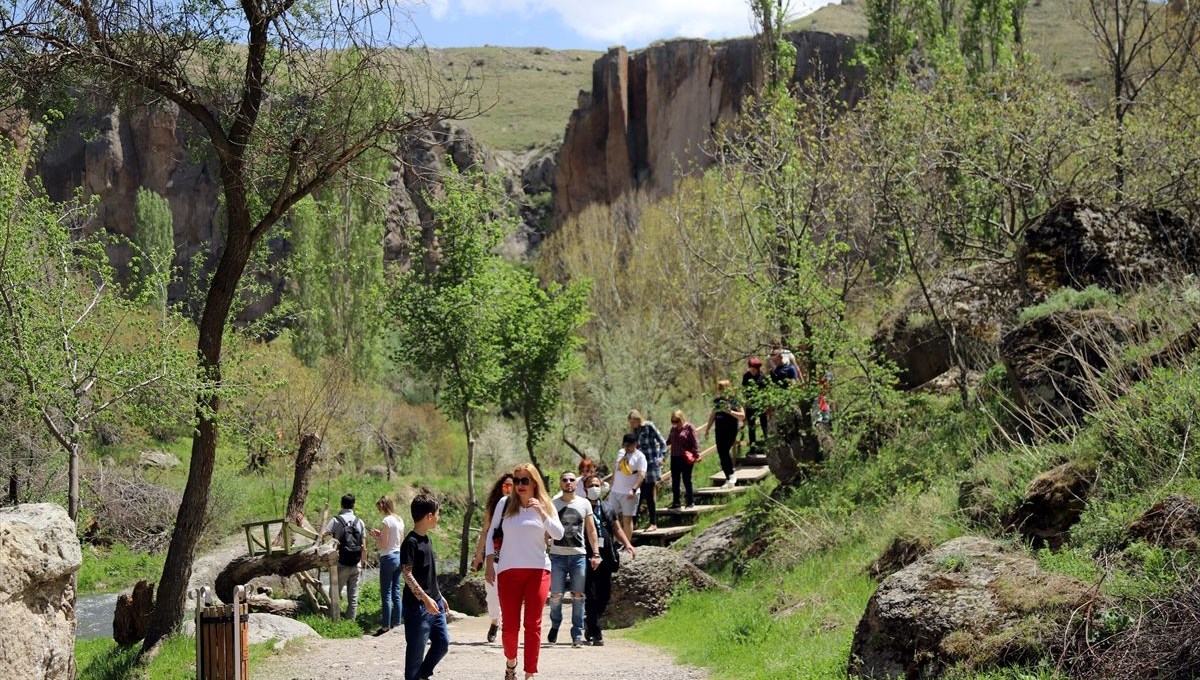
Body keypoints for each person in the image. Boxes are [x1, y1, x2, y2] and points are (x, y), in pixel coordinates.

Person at [485, 462, 565, 680]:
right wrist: (488, 563)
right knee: (510, 627)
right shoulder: (504, 503)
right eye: (516, 480)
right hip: (508, 571)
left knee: (533, 624)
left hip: (539, 570)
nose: (519, 485)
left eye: (524, 480)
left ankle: (530, 673)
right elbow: (491, 533)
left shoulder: (546, 505)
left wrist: (541, 511)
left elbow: (558, 534)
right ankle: (511, 662)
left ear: (534, 482)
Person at [581, 473, 636, 646]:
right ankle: (596, 632)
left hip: (606, 557)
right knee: (590, 595)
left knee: (604, 595)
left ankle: (590, 622)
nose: (594, 488)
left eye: (597, 485)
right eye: (591, 486)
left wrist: (627, 543)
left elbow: (617, 528)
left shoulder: (608, 508)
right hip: (587, 556)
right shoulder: (581, 508)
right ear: (584, 488)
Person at [548, 470, 599, 648]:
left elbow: (591, 530)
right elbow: (547, 530)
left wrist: (596, 553)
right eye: (565, 480)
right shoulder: (553, 504)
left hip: (578, 555)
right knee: (555, 596)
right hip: (557, 556)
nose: (568, 483)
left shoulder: (584, 504)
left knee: (578, 596)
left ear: (576, 484)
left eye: (571, 480)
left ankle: (576, 634)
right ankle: (555, 623)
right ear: (560, 483)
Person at [401, 494, 450, 680]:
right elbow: (407, 574)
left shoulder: (428, 540)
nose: (438, 518)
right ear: (429, 516)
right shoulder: (410, 542)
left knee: (442, 643)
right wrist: (425, 599)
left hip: (434, 601)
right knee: (415, 654)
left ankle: (422, 675)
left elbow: (429, 574)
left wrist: (439, 596)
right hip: (417, 608)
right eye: (437, 514)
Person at [471, 472, 514, 643]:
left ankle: (508, 626)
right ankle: (495, 621)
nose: (509, 489)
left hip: (513, 557)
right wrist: (478, 556)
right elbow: (485, 532)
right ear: (500, 487)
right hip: (494, 556)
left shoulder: (522, 506)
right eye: (506, 485)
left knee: (511, 594)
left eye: (512, 485)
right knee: (492, 594)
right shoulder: (495, 506)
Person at [322, 493, 365, 621]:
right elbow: (364, 546)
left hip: (341, 563)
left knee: (334, 593)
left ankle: (335, 620)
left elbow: (323, 534)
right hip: (356, 563)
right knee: (353, 596)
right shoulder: (360, 522)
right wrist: (362, 564)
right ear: (353, 505)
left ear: (341, 505)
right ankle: (350, 622)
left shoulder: (336, 520)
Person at [369, 495, 405, 635]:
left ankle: (385, 626)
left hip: (388, 558)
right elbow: (400, 540)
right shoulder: (399, 519)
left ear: (382, 506)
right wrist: (381, 535)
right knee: (396, 592)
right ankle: (397, 623)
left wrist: (376, 536)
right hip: (399, 556)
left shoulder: (386, 521)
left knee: (386, 593)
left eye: (379, 508)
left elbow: (383, 544)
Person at [628, 409, 667, 532]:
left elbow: (662, 442)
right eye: (631, 422)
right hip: (639, 467)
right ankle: (633, 524)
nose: (633, 424)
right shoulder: (635, 432)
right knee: (639, 494)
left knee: (649, 493)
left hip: (651, 464)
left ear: (638, 419)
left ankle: (653, 523)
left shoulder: (648, 426)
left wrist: (661, 456)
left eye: (634, 421)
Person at [705, 380, 745, 489]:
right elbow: (713, 415)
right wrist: (708, 429)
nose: (721, 391)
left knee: (725, 451)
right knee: (721, 453)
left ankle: (731, 476)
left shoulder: (734, 400)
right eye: (719, 389)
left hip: (730, 429)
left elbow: (742, 415)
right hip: (719, 430)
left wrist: (730, 412)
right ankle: (728, 478)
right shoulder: (717, 400)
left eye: (723, 389)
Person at [611, 431, 646, 543]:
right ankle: (613, 542)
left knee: (627, 519)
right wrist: (612, 484)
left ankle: (627, 544)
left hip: (629, 493)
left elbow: (641, 475)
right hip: (615, 491)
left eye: (628, 446)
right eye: (624, 445)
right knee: (610, 517)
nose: (626, 448)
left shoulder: (640, 457)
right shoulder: (621, 452)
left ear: (635, 444)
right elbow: (615, 469)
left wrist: (634, 489)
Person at [665, 410, 700, 509]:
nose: (675, 423)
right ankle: (676, 503)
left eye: (677, 420)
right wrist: (660, 444)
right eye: (673, 421)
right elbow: (668, 441)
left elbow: (695, 442)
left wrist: (697, 454)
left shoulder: (689, 427)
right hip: (674, 457)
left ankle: (690, 502)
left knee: (686, 480)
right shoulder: (673, 429)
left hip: (685, 457)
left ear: (682, 418)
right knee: (675, 481)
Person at [742, 357, 769, 454]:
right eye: (751, 369)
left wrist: (765, 405)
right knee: (751, 427)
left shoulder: (763, 377)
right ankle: (753, 448)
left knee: (764, 425)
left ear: (758, 369)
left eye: (754, 370)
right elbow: (744, 391)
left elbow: (766, 392)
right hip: (750, 404)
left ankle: (768, 446)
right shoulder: (746, 376)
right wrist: (746, 404)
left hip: (761, 404)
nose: (752, 372)